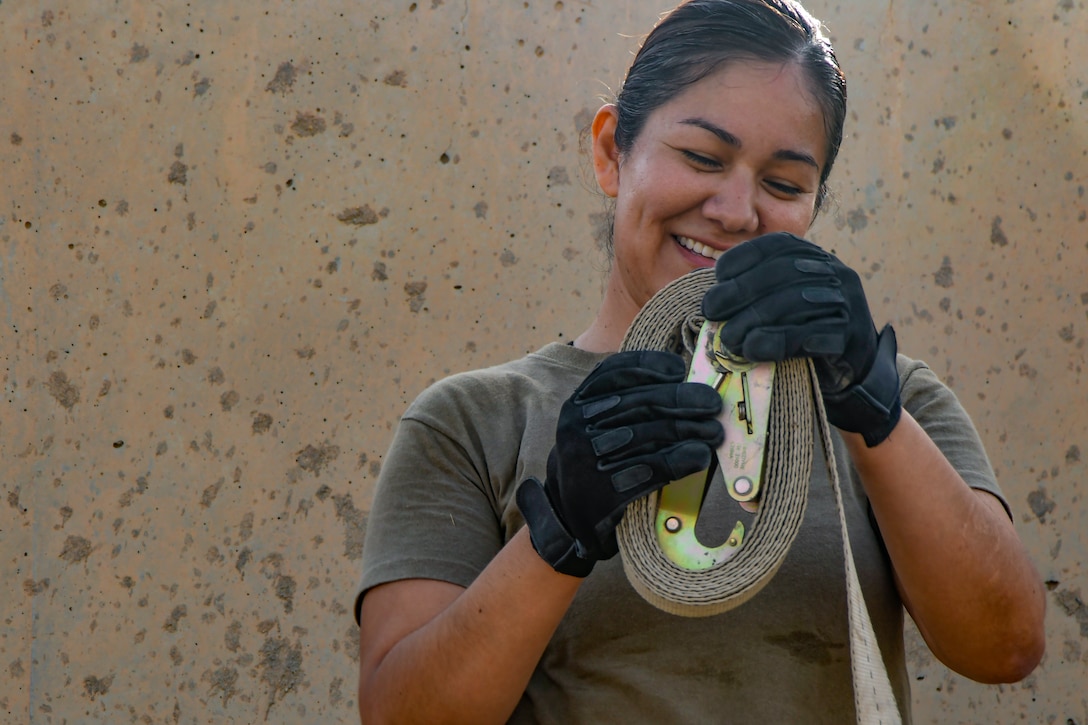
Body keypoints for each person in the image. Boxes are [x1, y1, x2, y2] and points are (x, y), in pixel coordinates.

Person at [354, 0, 1046, 722]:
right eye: (703, 158)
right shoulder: (471, 421)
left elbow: (1005, 647)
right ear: (610, 150)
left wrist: (871, 408)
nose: (736, 209)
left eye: (783, 183)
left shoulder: (895, 398)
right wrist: (559, 528)